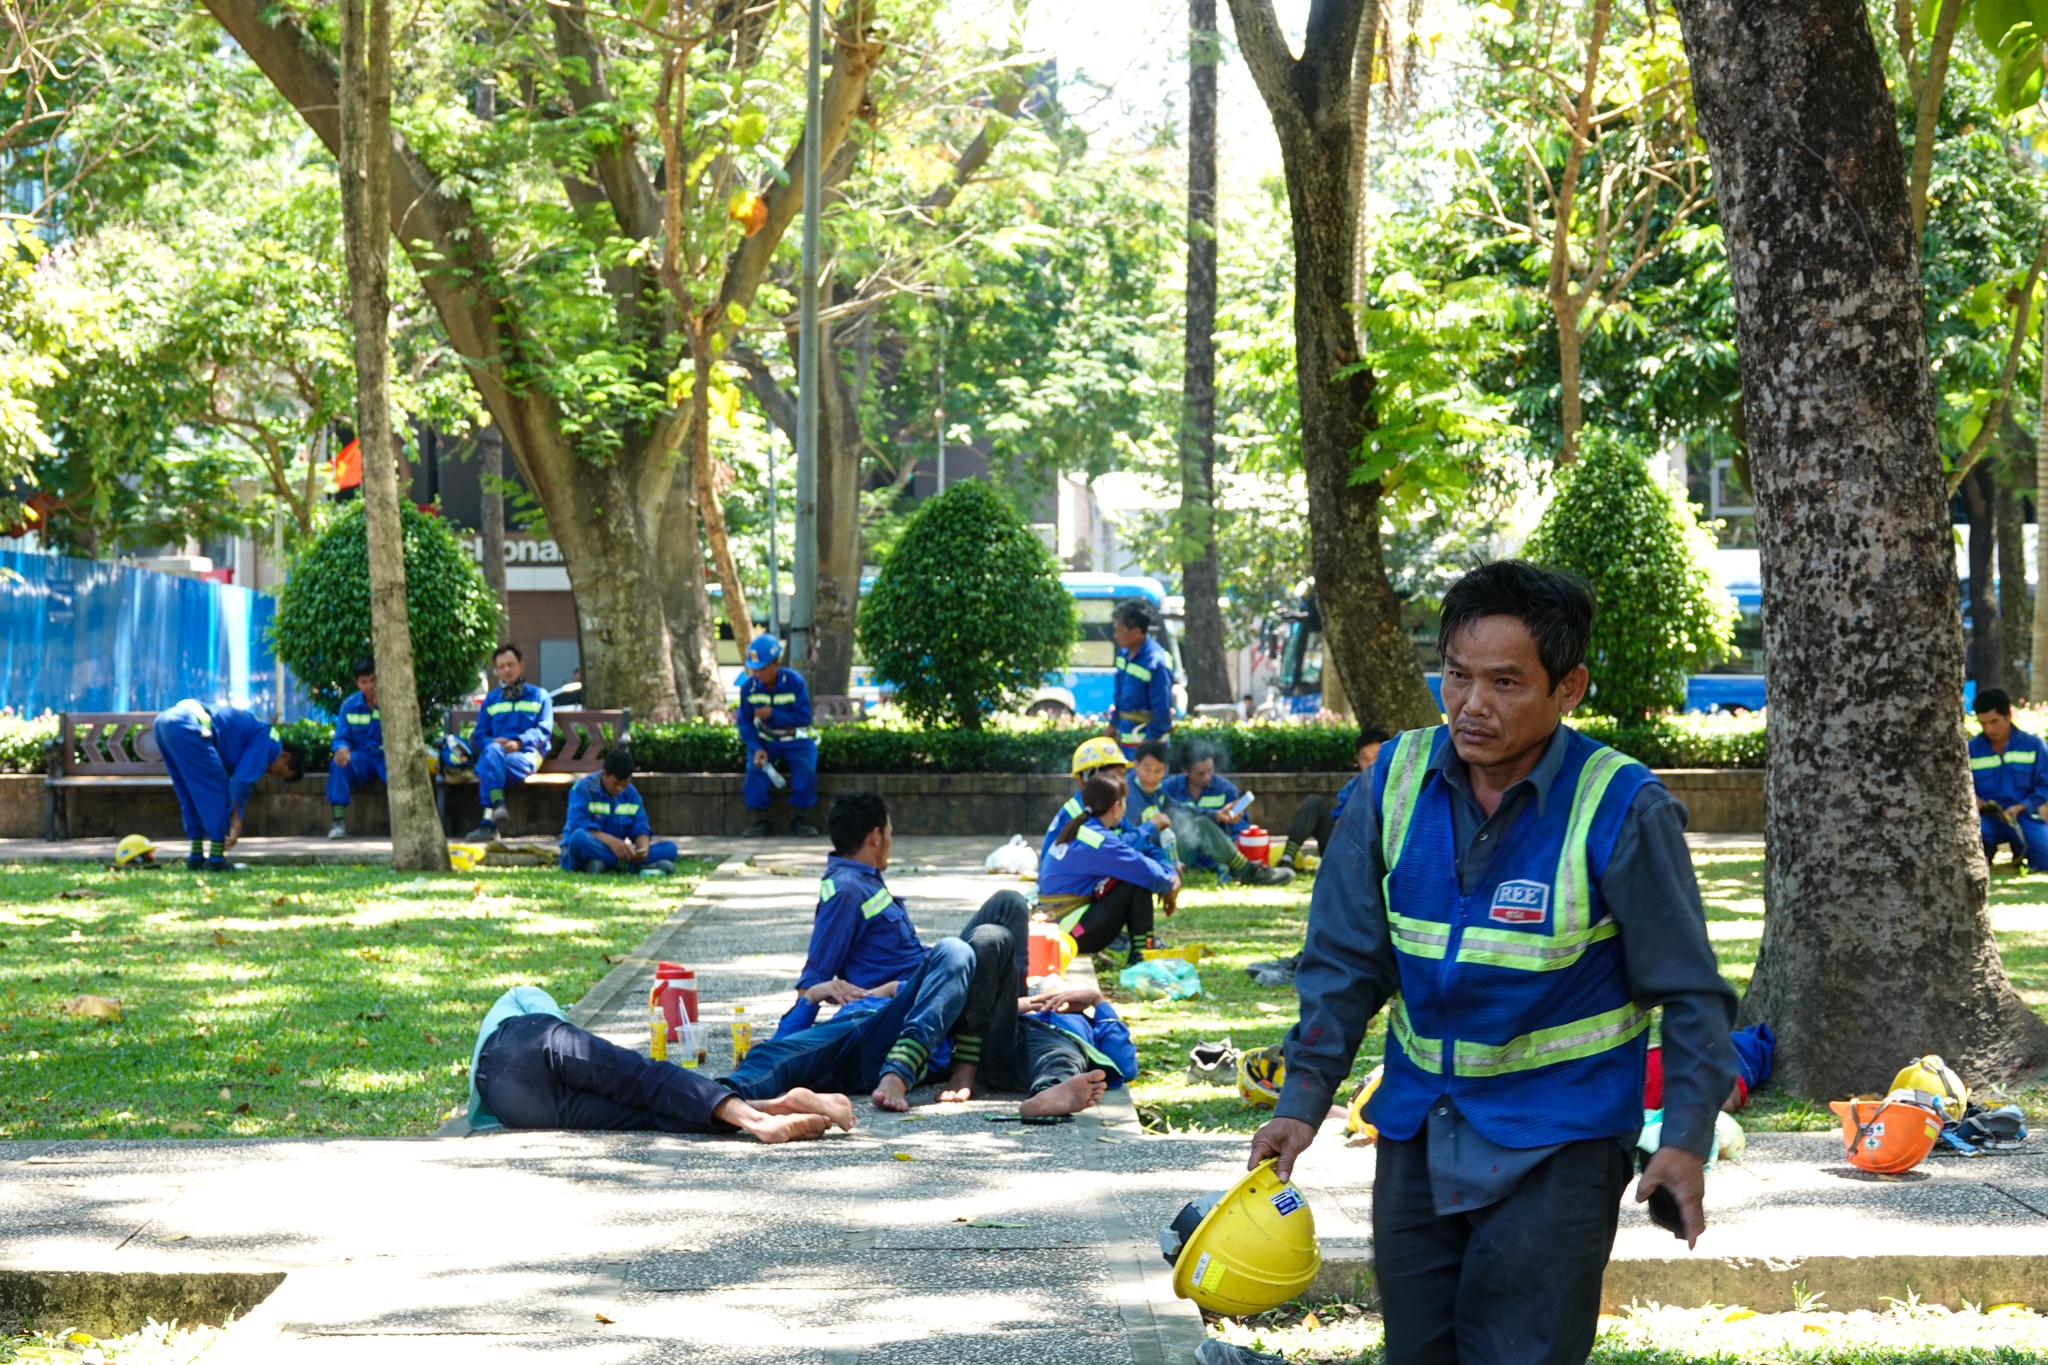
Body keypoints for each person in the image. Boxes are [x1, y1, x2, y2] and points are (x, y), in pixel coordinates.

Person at [1250, 559, 1738, 1365]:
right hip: (1416, 1135)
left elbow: (1690, 992)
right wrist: (1302, 1100)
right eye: (1456, 674)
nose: (1473, 705)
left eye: (1506, 681)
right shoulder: (1390, 785)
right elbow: (1343, 961)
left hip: (1560, 1148)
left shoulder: (1619, 805)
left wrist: (1684, 1135)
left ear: (1569, 686)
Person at [778, 790, 1031, 1051]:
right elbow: (814, 978)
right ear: (875, 837)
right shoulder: (847, 890)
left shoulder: (862, 878)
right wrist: (781, 1044)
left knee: (1007, 904)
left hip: (927, 973)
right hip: (913, 996)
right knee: (999, 915)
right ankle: (1011, 1019)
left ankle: (1014, 1008)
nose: (891, 839)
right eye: (890, 832)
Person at [467, 985, 853, 1143]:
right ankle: (760, 1122)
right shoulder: (521, 997)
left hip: (510, 1103)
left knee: (647, 1111)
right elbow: (554, 1025)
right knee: (644, 1079)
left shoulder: (482, 1081)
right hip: (526, 1040)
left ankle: (774, 1108)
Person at [1037, 770, 1181, 962]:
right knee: (1135, 882)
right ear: (1116, 806)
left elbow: (1142, 848)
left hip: (1058, 925)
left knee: (1132, 876)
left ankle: (1142, 951)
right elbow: (1146, 871)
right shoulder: (1100, 841)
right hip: (1070, 934)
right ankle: (1142, 955)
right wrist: (1170, 881)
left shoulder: (1082, 828)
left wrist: (1166, 873)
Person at [152, 700, 307, 871]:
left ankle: (196, 856)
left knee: (188, 792)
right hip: (186, 724)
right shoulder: (271, 741)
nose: (270, 775)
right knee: (218, 789)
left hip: (164, 722)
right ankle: (217, 859)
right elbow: (240, 782)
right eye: (278, 772)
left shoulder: (258, 732)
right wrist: (237, 822)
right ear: (285, 757)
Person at [1128, 740, 1293, 886]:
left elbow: (1180, 809)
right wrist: (1152, 827)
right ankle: (1246, 871)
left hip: (1170, 854)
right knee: (1199, 825)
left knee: (1199, 824)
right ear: (1135, 764)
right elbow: (1126, 840)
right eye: (1147, 769)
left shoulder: (1159, 791)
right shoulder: (1129, 794)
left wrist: (1217, 815)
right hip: (1145, 859)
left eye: (1158, 771)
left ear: (1165, 770)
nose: (1151, 776)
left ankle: (1242, 868)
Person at [461, 644, 554, 840]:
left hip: (527, 756)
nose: (507, 670)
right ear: (496, 671)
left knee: (487, 766)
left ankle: (488, 824)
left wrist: (518, 743)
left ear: (521, 666)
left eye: (510, 664)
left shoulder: (540, 696)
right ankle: (498, 806)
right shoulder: (492, 700)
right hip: (497, 755)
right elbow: (480, 735)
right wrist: (494, 743)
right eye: (501, 666)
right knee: (492, 753)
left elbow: (544, 731)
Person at [738, 634, 820, 838]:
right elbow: (745, 723)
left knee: (806, 769)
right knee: (754, 770)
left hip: (796, 739)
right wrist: (756, 749)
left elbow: (804, 717)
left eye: (763, 668)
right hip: (765, 741)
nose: (758, 673)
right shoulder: (748, 688)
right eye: (754, 669)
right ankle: (761, 820)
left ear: (776, 663)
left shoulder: (794, 682)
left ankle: (800, 818)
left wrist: (773, 714)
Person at [1274, 729, 1388, 870]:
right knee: (1313, 802)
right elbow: (1339, 819)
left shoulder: (1394, 785)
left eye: (1376, 757)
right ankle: (1287, 859)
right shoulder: (1351, 787)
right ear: (1358, 761)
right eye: (1364, 758)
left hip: (1376, 849)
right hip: (1345, 845)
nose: (1370, 763)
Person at [559, 748, 679, 875]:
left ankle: (605, 864)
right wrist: (613, 843)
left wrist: (643, 849)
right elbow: (578, 827)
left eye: (625, 784)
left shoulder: (632, 794)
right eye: (616, 783)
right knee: (579, 839)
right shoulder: (582, 789)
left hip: (616, 852)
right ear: (604, 775)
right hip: (589, 847)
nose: (620, 789)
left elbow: (640, 827)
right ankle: (634, 867)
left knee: (670, 848)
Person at [1969, 687, 2048, 872]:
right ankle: (1988, 855)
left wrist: (2022, 806)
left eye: (1994, 721)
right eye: (1983, 723)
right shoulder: (1971, 750)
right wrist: (1973, 800)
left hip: (2023, 817)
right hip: (1986, 820)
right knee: (1970, 854)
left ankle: (2020, 853)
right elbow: (1961, 787)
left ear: (2009, 715)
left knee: (2046, 860)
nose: (1989, 729)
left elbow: (2045, 785)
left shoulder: (2034, 746)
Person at [1037, 736, 1144, 868]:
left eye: (1124, 775)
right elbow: (1111, 850)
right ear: (1092, 778)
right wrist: (1150, 828)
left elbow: (1131, 837)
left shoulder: (1109, 806)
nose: (1124, 782)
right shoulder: (1079, 812)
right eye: (1117, 775)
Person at [1107, 597, 1175, 757]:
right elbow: (1119, 697)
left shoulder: (1156, 662)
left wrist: (1148, 746)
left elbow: (1162, 711)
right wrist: (1113, 725)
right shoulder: (1123, 655)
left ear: (1136, 631)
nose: (1115, 635)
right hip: (1126, 744)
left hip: (1148, 749)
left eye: (1118, 630)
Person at [327, 657, 386, 840]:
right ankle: (338, 821)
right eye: (364, 682)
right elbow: (341, 736)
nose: (370, 686)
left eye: (373, 680)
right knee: (338, 763)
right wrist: (342, 748)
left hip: (386, 758)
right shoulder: (349, 705)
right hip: (362, 759)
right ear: (357, 683)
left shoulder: (391, 703)